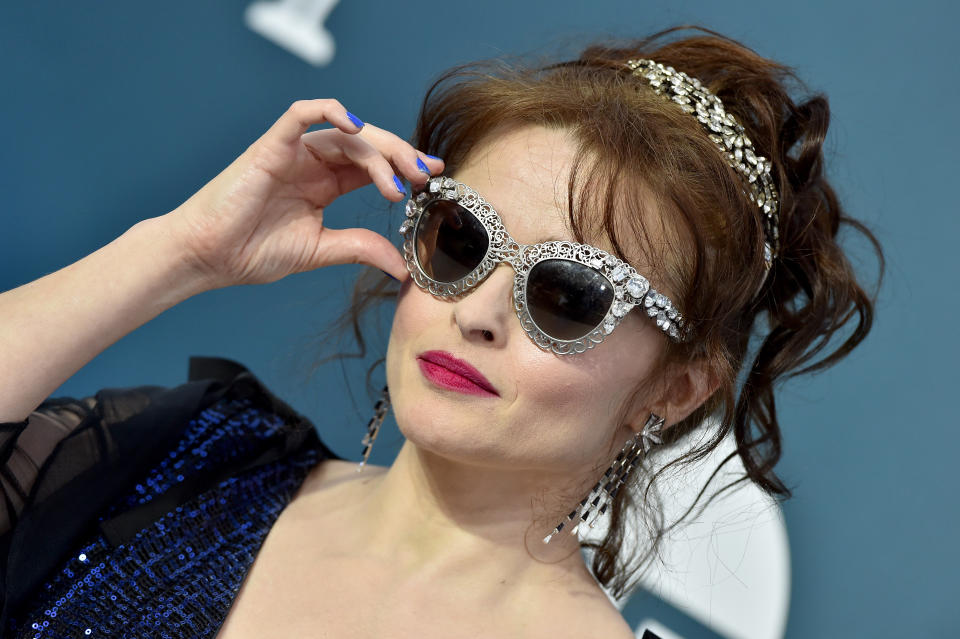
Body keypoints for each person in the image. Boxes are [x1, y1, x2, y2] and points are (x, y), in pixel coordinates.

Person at [0, 24, 883, 638]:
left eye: (569, 295)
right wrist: (179, 252)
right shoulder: (192, 461)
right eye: (461, 240)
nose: (479, 312)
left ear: (676, 385)